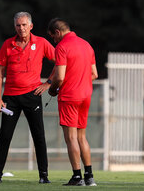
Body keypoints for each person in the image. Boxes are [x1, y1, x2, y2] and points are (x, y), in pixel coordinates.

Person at [0, 12, 56, 184]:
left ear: (31, 26)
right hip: (10, 98)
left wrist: (48, 83)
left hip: (32, 95)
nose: (21, 28)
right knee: (4, 136)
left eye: (24, 25)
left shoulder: (41, 43)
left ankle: (43, 175)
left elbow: (60, 61)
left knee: (38, 136)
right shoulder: (8, 44)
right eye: (18, 25)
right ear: (15, 27)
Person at [47, 18, 98, 186]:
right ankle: (89, 176)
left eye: (53, 37)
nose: (54, 41)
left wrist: (53, 89)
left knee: (71, 138)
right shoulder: (86, 45)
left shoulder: (62, 47)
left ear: (57, 33)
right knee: (82, 137)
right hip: (86, 95)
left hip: (70, 96)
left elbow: (59, 77)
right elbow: (94, 74)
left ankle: (77, 177)